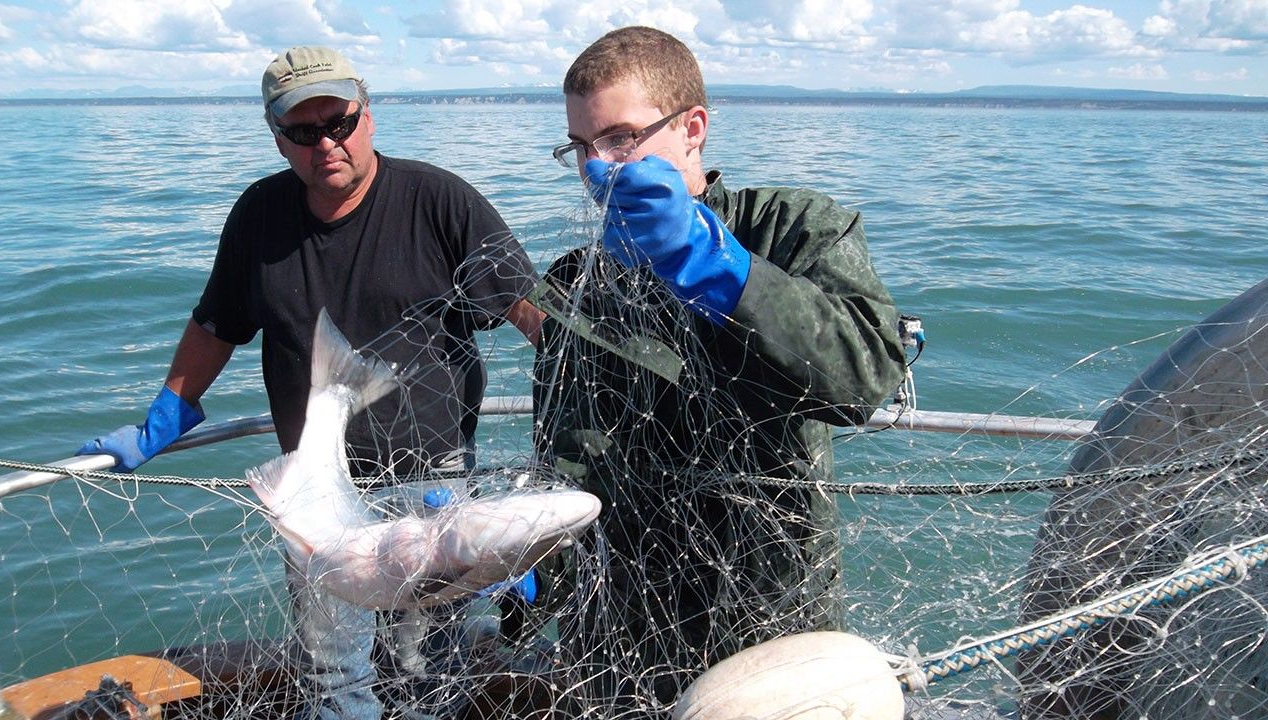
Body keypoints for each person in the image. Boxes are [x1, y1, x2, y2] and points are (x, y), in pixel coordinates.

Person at [78, 46, 544, 720]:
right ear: (278, 137)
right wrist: (169, 413)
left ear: (369, 116)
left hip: (430, 484)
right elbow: (217, 323)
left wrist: (516, 522)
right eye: (303, 131)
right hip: (317, 490)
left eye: (340, 122)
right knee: (332, 675)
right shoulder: (258, 217)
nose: (327, 143)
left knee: (427, 675)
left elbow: (532, 314)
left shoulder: (439, 200)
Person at [529, 26, 907, 716]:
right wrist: (521, 570)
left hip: (770, 623)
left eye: (618, 138)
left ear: (692, 128)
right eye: (579, 147)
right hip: (612, 640)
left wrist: (721, 269)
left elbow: (866, 374)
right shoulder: (575, 280)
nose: (595, 167)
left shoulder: (794, 228)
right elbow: (570, 460)